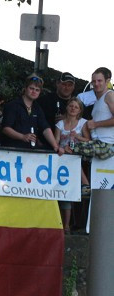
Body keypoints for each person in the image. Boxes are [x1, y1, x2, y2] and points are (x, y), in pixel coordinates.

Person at [0, 75, 62, 153]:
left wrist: (56, 147)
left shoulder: (37, 108)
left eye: (37, 90)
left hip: (30, 153)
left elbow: (45, 128)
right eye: (31, 88)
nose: (34, 91)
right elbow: (5, 129)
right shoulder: (13, 105)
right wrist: (22, 137)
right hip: (11, 151)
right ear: (25, 88)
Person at [54, 97, 90, 230]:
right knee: (64, 191)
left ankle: (86, 186)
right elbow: (56, 141)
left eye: (76, 107)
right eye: (71, 106)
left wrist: (77, 136)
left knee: (72, 188)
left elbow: (88, 140)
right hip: (63, 157)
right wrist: (60, 148)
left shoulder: (83, 123)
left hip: (77, 156)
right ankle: (64, 225)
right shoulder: (60, 124)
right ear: (67, 107)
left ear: (80, 110)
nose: (73, 108)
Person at [67, 67, 114, 160]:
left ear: (107, 81)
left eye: (99, 81)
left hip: (106, 144)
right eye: (93, 81)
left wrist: (96, 124)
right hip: (97, 142)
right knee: (70, 148)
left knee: (70, 148)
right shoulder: (97, 100)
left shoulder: (109, 95)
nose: (96, 84)